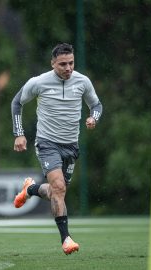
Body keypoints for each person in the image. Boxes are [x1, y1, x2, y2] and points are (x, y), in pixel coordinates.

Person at [11, 43, 103, 255]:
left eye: (71, 63)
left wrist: (93, 117)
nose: (68, 68)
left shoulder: (83, 81)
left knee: (54, 192)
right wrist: (19, 133)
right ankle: (66, 239)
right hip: (47, 143)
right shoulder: (39, 82)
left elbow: (96, 105)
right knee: (59, 188)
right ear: (53, 63)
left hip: (71, 145)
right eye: (63, 64)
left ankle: (31, 189)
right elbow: (17, 102)